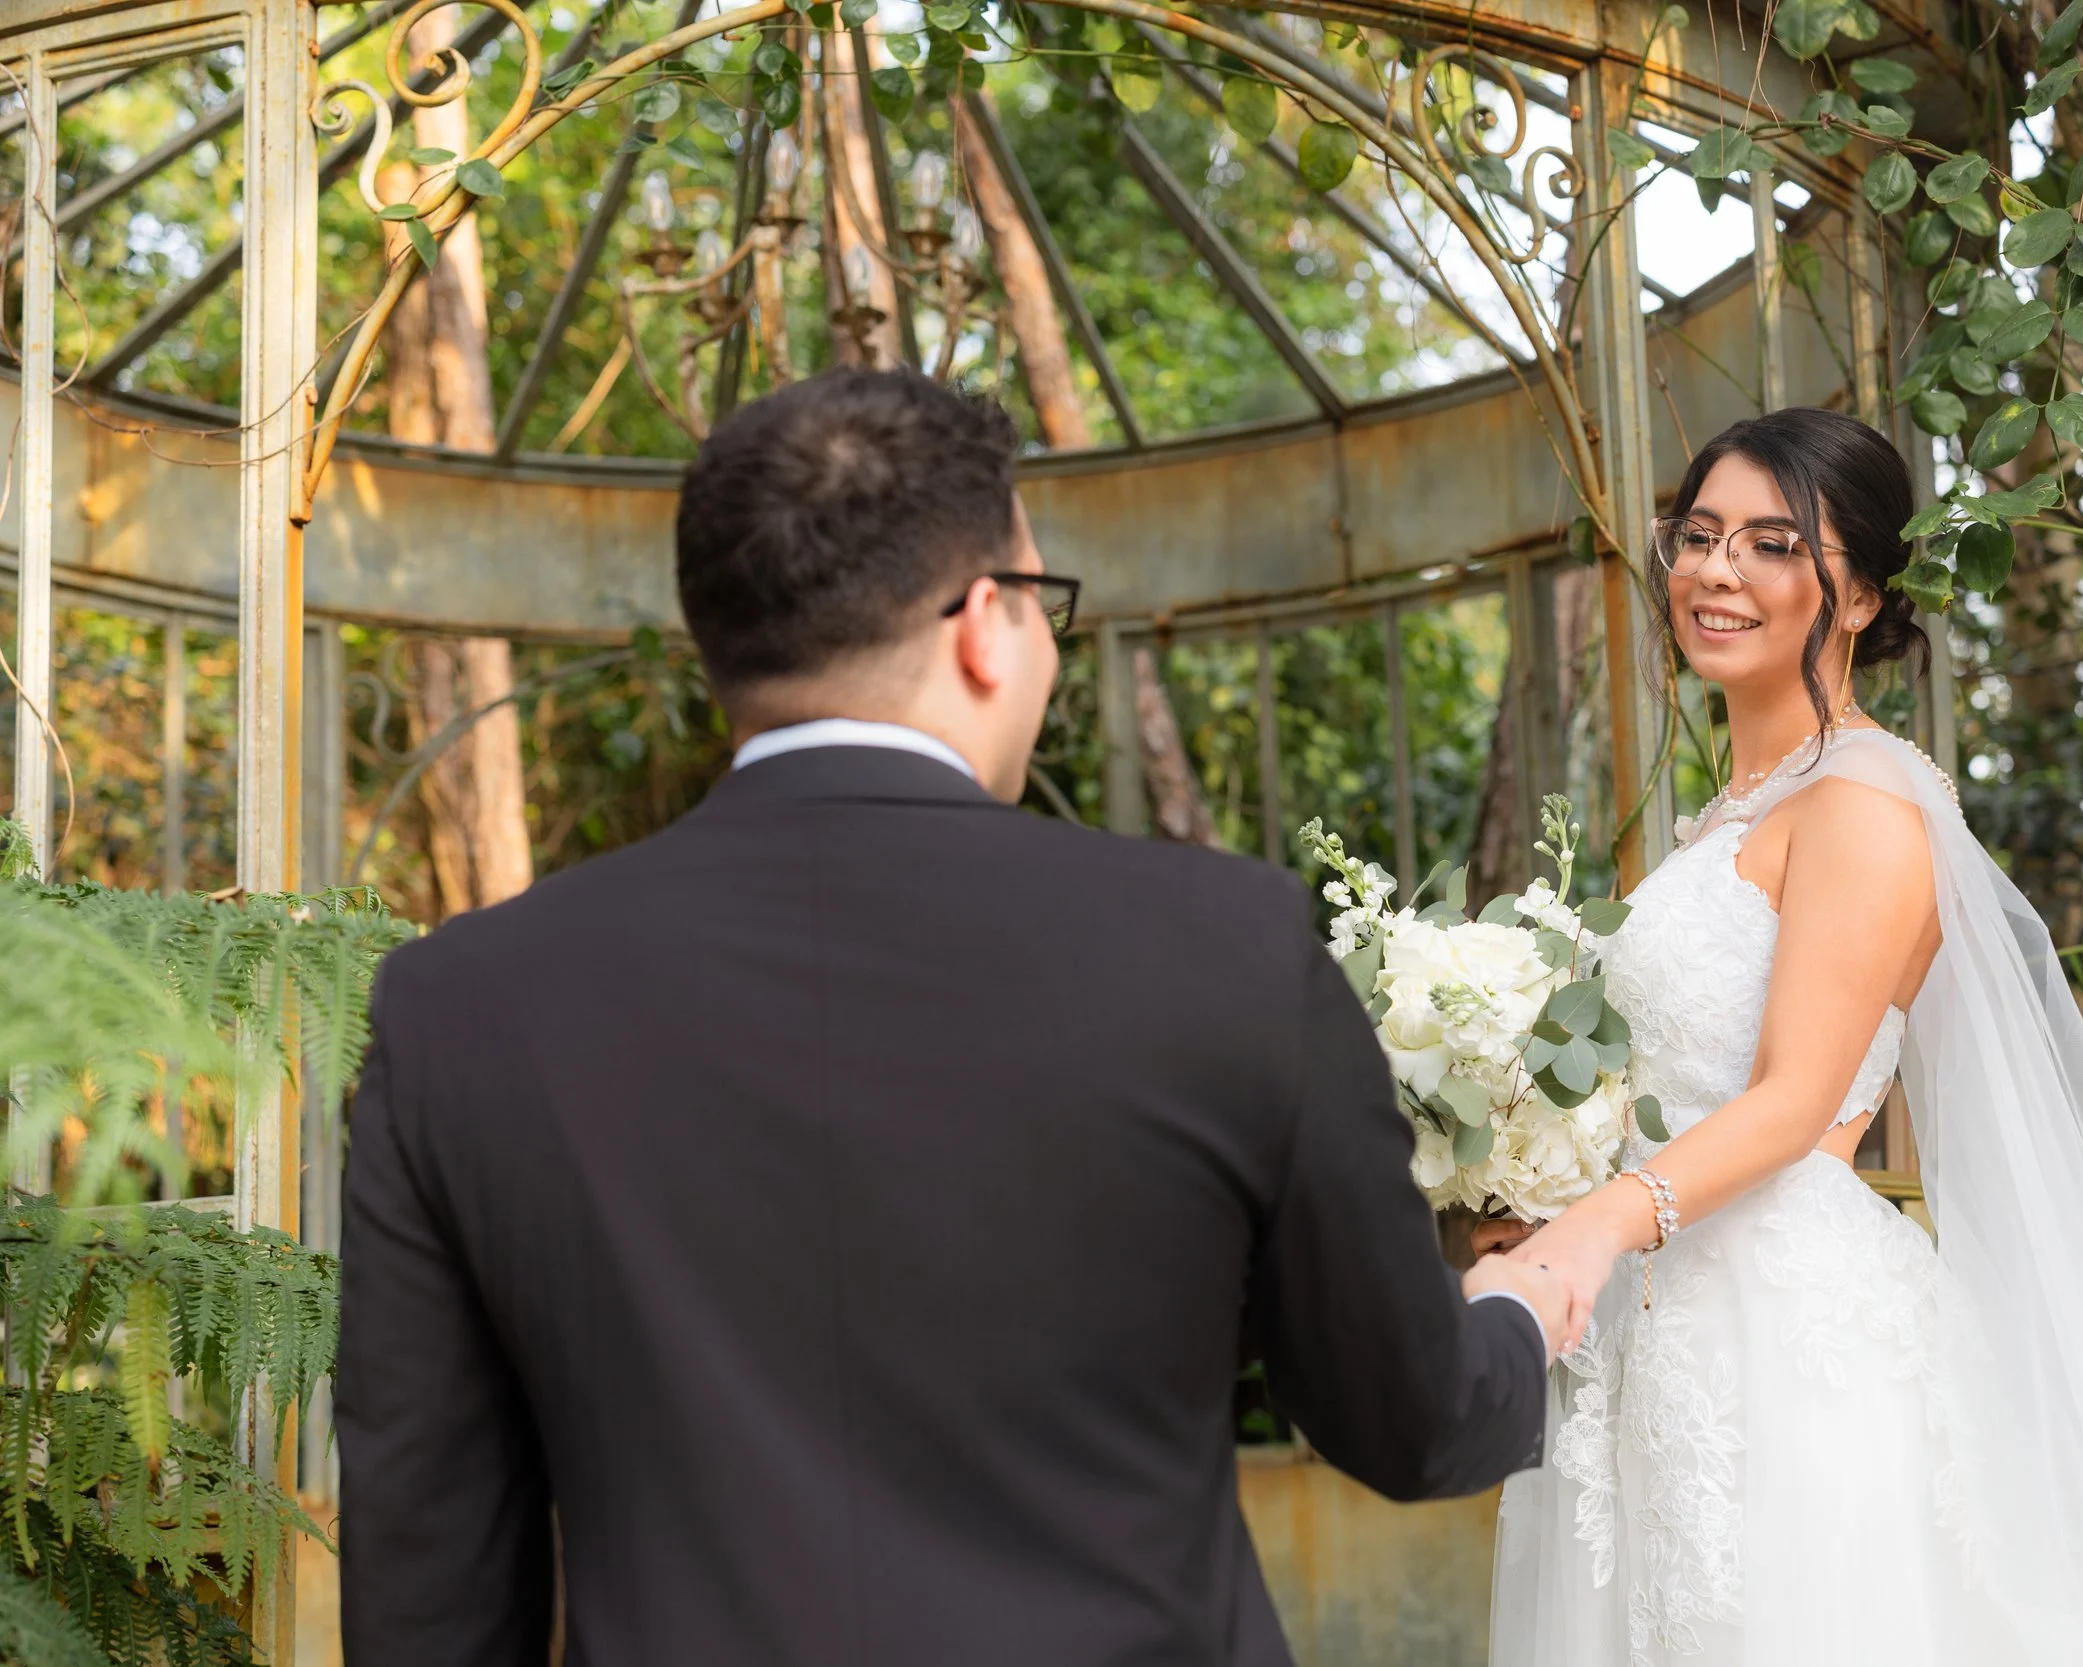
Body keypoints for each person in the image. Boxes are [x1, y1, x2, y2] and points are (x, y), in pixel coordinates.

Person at [335, 368, 1570, 1667]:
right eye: (1043, 605)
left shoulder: (460, 1006)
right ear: (986, 621)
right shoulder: (1224, 947)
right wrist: (1523, 1303)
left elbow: (427, 1587)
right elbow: (1414, 1419)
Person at [1482, 407, 2083, 1666]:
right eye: (1701, 534)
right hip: (1653, 1325)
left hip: (1787, 1344)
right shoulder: (1725, 818)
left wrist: (1593, 1224)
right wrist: (1532, 1182)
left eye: (1775, 543)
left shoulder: (1865, 800)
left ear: (1856, 598)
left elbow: (1795, 1102)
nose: (1718, 572)